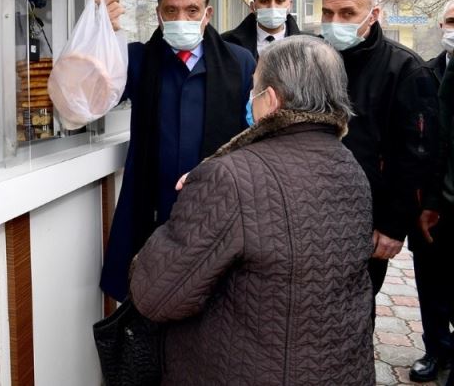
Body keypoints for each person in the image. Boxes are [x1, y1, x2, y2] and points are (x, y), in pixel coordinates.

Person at [130, 36, 374, 385]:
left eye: (254, 89)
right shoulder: (349, 166)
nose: (249, 100)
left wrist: (193, 204)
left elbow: (157, 295)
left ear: (271, 100)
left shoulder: (230, 177)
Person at [97, 0, 255, 302]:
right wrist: (103, 36)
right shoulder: (137, 59)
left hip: (216, 207)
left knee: (212, 300)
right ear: (158, 14)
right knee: (149, 296)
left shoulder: (238, 62)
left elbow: (254, 133)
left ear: (207, 14)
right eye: (171, 11)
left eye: (192, 10)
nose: (181, 18)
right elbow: (95, 94)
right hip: (152, 203)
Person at [320, 0, 439, 303]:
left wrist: (392, 225)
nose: (334, 22)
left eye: (346, 13)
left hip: (368, 217)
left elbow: (415, 155)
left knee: (356, 310)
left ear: (373, 14)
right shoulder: (314, 57)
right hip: (312, 210)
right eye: (327, 13)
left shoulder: (405, 69)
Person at [411, 0, 454, 382]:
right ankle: (436, 350)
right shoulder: (424, 73)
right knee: (430, 280)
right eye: (452, 21)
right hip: (431, 200)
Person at [222, 0, 301, 60]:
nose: (272, 7)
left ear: (290, 5)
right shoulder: (226, 43)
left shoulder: (309, 46)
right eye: (264, 1)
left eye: (279, 0)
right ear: (253, 6)